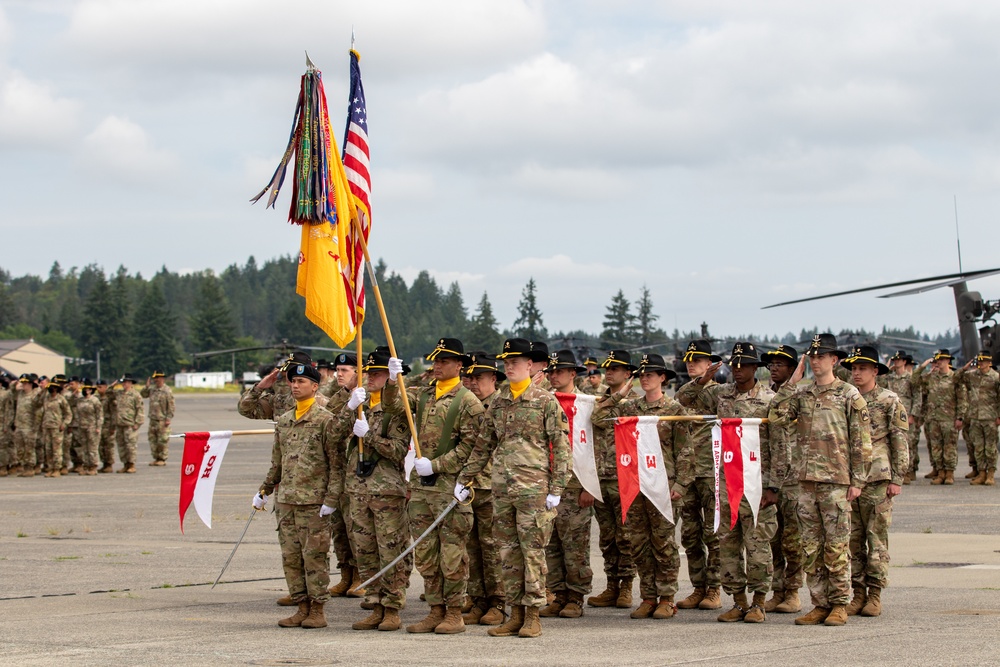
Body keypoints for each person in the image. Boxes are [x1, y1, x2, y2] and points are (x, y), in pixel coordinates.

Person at [457, 337, 571, 638]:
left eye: (515, 362)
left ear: (530, 365)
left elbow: (561, 447)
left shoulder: (545, 401)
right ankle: (515, 613)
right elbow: (483, 446)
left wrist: (556, 488)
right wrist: (465, 478)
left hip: (534, 492)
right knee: (507, 554)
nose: (509, 366)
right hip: (502, 490)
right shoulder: (498, 401)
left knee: (532, 553)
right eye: (506, 362)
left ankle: (533, 615)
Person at [769, 333, 871, 626]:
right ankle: (819, 603)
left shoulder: (849, 394)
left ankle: (839, 603)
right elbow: (776, 416)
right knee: (811, 547)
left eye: (821, 357)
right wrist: (792, 383)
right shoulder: (802, 395)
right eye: (812, 357)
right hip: (807, 481)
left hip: (837, 481)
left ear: (834, 360)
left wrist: (858, 480)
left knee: (836, 546)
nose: (816, 361)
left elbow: (861, 441)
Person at [385, 337, 484, 634]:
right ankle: (435, 609)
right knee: (426, 554)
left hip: (448, 488)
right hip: (422, 488)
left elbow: (473, 446)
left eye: (444, 361)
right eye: (435, 361)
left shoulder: (469, 402)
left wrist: (437, 466)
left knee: (452, 555)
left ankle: (454, 613)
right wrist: (392, 381)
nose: (437, 365)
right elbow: (392, 406)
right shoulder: (424, 395)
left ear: (459, 365)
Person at [678, 342, 779, 623]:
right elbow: (683, 399)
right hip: (726, 481)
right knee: (729, 544)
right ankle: (738, 601)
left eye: (743, 364)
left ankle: (759, 602)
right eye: (733, 365)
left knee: (758, 545)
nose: (737, 369)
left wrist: (774, 486)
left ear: (754, 368)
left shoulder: (769, 400)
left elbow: (779, 446)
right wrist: (704, 378)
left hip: (756, 482)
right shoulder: (721, 395)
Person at [597, 353, 692, 620]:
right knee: (638, 543)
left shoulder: (674, 410)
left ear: (663, 378)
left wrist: (682, 485)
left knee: (663, 544)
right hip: (635, 485)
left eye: (650, 374)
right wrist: (621, 393)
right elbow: (598, 415)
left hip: (664, 485)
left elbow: (685, 451)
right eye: (641, 374)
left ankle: (667, 598)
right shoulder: (630, 408)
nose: (645, 378)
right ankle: (648, 596)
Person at [330, 347, 413, 632]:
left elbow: (398, 451)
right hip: (357, 489)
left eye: (378, 373)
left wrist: (371, 437)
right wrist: (349, 409)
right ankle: (375, 602)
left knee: (390, 550)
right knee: (365, 551)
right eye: (370, 373)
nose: (373, 378)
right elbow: (331, 434)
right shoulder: (359, 404)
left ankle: (392, 607)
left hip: (386, 490)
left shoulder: (397, 408)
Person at [257, 361, 339, 629]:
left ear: (315, 387)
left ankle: (317, 610)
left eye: (301, 382)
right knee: (291, 557)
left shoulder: (326, 420)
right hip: (287, 500)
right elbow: (277, 462)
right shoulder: (284, 420)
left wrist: (331, 500)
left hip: (313, 502)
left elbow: (337, 465)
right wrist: (265, 490)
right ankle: (301, 606)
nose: (295, 385)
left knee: (314, 557)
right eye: (292, 381)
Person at [841, 345, 908, 618]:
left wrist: (898, 478)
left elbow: (899, 441)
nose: (856, 373)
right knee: (853, 540)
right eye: (854, 369)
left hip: (879, 477)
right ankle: (857, 594)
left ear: (875, 371)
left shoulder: (889, 400)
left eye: (862, 369)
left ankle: (875, 594)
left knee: (876, 539)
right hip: (850, 478)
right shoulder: (846, 398)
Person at [540, 350, 594, 620]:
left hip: (575, 485)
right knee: (551, 546)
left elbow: (595, 448)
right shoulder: (544, 401)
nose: (553, 375)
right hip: (547, 483)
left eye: (559, 371)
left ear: (573, 373)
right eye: (550, 371)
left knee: (575, 547)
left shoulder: (586, 404)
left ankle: (575, 597)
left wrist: (589, 487)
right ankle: (558, 594)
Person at [587, 349, 639, 610]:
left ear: (628, 374)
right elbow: (594, 419)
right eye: (607, 368)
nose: (608, 372)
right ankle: (611, 585)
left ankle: (627, 586)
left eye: (615, 369)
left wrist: (618, 398)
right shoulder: (599, 401)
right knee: (607, 538)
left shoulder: (634, 403)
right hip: (601, 478)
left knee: (625, 536)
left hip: (624, 479)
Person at [675, 339, 724, 611]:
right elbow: (681, 399)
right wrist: (699, 381)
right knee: (690, 534)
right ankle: (697, 587)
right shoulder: (687, 390)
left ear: (710, 364)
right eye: (689, 360)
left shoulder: (718, 392)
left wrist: (706, 382)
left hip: (711, 470)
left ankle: (714, 588)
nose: (692, 364)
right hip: (688, 473)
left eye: (698, 360)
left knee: (712, 533)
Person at [460, 352, 507, 626]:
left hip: (492, 485)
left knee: (492, 548)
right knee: (472, 549)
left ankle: (499, 602)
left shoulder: (501, 405)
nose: (473, 382)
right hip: (468, 485)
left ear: (493, 378)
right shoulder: (465, 404)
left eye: (479, 377)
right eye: (470, 377)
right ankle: (477, 599)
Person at [760, 344, 804, 614]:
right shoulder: (765, 395)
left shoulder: (800, 396)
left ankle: (794, 591)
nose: (775, 367)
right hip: (766, 478)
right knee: (771, 539)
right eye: (771, 364)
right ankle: (777, 590)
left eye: (781, 363)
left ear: (793, 368)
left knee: (793, 539)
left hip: (792, 479)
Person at [912, 350, 967, 485]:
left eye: (942, 359)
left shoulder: (954, 378)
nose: (939, 362)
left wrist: (960, 417)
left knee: (949, 447)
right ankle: (940, 473)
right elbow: (914, 380)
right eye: (937, 360)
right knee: (936, 447)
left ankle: (949, 473)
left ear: (948, 361)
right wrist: (923, 366)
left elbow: (962, 399)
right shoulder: (931, 377)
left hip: (949, 418)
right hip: (933, 419)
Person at [957, 351, 1000, 486]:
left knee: (990, 447)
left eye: (983, 362)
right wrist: (965, 367)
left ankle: (991, 474)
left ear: (989, 363)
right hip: (975, 417)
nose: (980, 364)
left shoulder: (995, 377)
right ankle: (982, 473)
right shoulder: (972, 375)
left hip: (990, 417)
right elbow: (956, 378)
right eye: (979, 362)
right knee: (978, 447)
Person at [880, 351, 922, 484]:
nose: (896, 362)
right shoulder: (890, 378)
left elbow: (917, 397)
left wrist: (913, 415)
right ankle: (895, 472)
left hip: (906, 414)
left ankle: (908, 472)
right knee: (893, 444)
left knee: (908, 444)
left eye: (899, 360)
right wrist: (886, 368)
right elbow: (879, 383)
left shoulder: (910, 378)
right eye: (894, 360)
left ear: (904, 362)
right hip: (892, 415)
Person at [37, 376, 73, 478]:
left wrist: (64, 424)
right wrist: (42, 391)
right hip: (46, 426)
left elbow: (68, 414)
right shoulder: (46, 398)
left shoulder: (61, 399)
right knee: (48, 449)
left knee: (56, 449)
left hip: (56, 427)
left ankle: (57, 469)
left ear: (56, 389)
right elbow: (36, 403)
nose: (51, 389)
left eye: (53, 387)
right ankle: (50, 468)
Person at [141, 371, 175, 466]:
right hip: (153, 419)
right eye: (155, 378)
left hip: (162, 420)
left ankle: (162, 459)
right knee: (153, 440)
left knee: (162, 440)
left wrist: (168, 418)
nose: (156, 380)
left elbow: (171, 406)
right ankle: (156, 458)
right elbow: (143, 395)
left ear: (162, 378)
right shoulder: (152, 390)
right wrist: (146, 386)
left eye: (158, 378)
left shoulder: (167, 391)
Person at [115, 373, 145, 473]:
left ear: (131, 383)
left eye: (127, 382)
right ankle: (125, 464)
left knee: (130, 446)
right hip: (120, 424)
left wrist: (138, 423)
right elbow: (108, 393)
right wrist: (114, 384)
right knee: (121, 446)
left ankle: (132, 465)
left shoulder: (135, 395)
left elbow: (140, 409)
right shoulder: (119, 394)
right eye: (124, 382)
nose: (125, 384)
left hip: (130, 425)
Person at [75, 379, 104, 475]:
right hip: (82, 427)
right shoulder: (80, 400)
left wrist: (98, 427)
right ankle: (86, 466)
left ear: (91, 390)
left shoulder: (95, 400)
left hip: (92, 427)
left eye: (87, 389)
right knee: (84, 448)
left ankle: (93, 466)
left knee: (92, 448)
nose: (85, 391)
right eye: (84, 389)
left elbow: (99, 415)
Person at [96, 379, 118, 473]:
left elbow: (114, 413)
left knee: (108, 446)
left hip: (108, 425)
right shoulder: (96, 398)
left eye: (100, 387)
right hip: (100, 426)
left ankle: (109, 464)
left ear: (105, 387)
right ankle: (104, 463)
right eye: (97, 387)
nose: (98, 389)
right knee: (101, 446)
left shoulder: (109, 399)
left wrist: (113, 426)